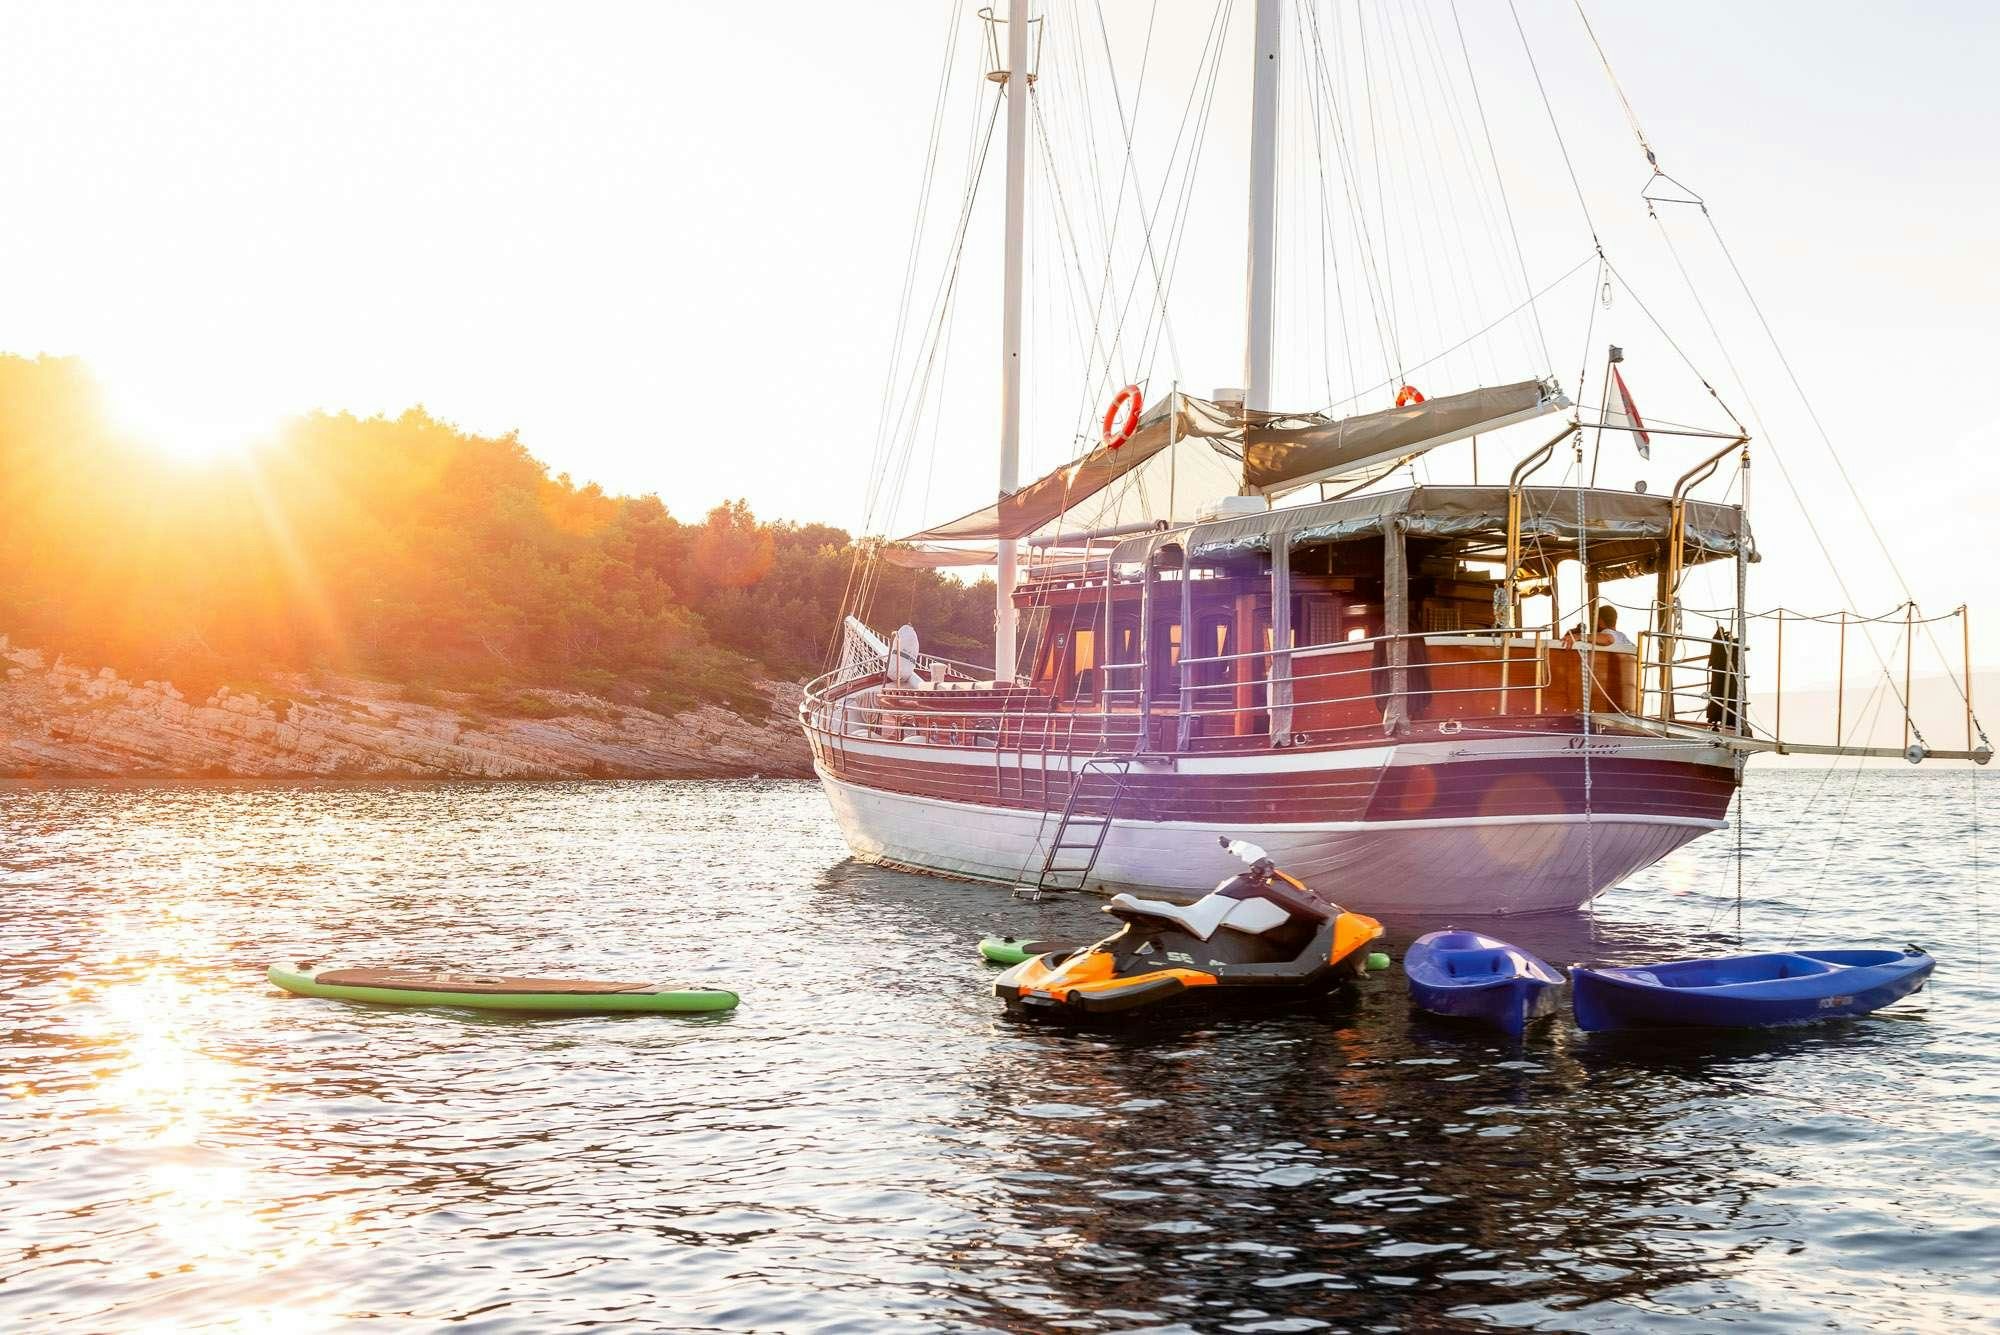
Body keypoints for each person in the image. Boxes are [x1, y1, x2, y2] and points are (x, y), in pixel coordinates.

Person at [1564, 604, 1632, 649]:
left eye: (1594, 620)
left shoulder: (1607, 632)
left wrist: (1578, 636)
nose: (1593, 624)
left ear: (1600, 621)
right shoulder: (1622, 637)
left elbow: (1608, 639)